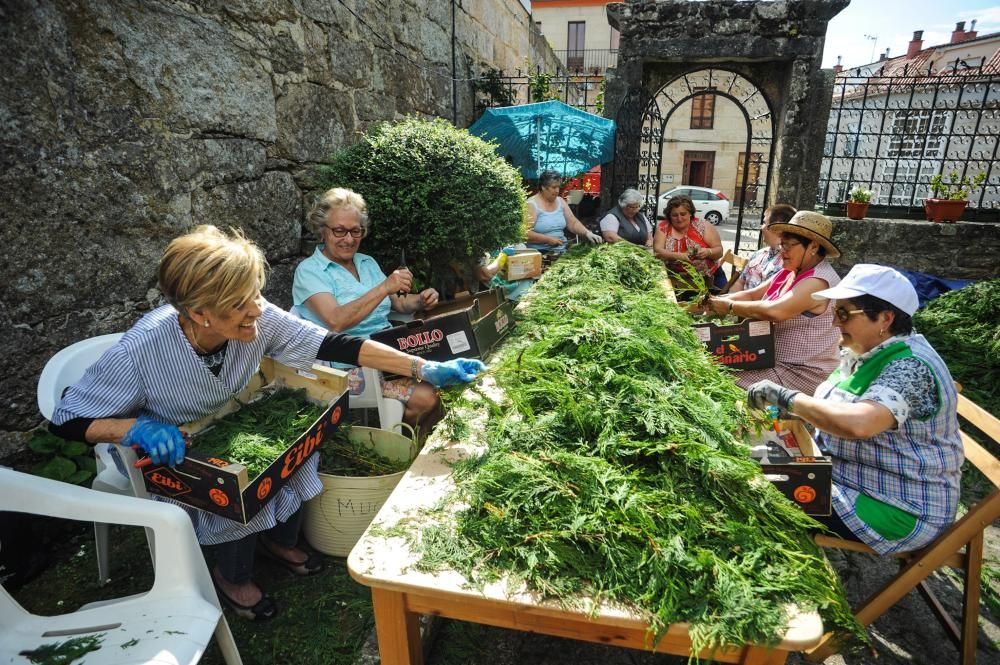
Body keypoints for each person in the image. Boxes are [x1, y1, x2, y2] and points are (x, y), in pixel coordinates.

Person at [49, 225, 484, 621]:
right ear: (200, 312)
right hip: (170, 450)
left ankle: (277, 541)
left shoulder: (254, 316)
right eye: (239, 304)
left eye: (256, 294)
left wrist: (420, 369)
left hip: (230, 418)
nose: (257, 309)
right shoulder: (141, 350)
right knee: (231, 489)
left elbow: (334, 343)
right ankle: (232, 576)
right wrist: (134, 429)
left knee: (295, 451)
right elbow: (67, 417)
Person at [745, 264, 963, 555]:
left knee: (756, 491)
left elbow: (860, 423)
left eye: (845, 313)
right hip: (853, 475)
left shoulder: (910, 367)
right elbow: (830, 405)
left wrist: (785, 397)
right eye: (836, 311)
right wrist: (786, 412)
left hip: (898, 506)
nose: (835, 322)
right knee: (755, 468)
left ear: (886, 318)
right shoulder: (863, 350)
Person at [292, 188, 444, 430]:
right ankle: (404, 447)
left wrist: (421, 300)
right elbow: (335, 320)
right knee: (427, 397)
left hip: (390, 355)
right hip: (349, 367)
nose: (349, 239)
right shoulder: (309, 271)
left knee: (447, 376)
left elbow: (399, 303)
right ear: (322, 230)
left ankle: (420, 443)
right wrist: (384, 287)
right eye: (339, 230)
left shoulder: (367, 262)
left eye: (356, 231)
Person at [705, 211, 842, 394]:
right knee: (712, 367)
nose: (782, 251)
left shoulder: (817, 281)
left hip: (801, 371)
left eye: (788, 246)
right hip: (771, 357)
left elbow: (775, 311)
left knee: (718, 381)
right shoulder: (791, 270)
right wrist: (714, 301)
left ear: (813, 247)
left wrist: (729, 307)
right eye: (782, 245)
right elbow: (753, 295)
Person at [653, 194, 725, 291]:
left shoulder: (703, 226)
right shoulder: (663, 227)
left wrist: (708, 252)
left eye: (683, 214)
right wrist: (680, 256)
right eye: (674, 215)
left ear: (690, 213)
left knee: (722, 301)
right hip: (676, 281)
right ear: (669, 216)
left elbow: (719, 251)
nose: (679, 218)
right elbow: (657, 251)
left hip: (709, 278)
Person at [526, 170, 603, 254]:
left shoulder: (560, 201)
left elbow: (572, 223)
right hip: (538, 253)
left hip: (561, 251)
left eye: (558, 187)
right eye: (554, 187)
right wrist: (548, 240)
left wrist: (587, 233)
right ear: (543, 187)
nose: (557, 191)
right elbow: (525, 233)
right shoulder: (531, 204)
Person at [728, 203, 796, 293]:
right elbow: (740, 282)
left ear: (776, 228)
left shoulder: (788, 262)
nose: (761, 227)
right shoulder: (758, 254)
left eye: (764, 222)